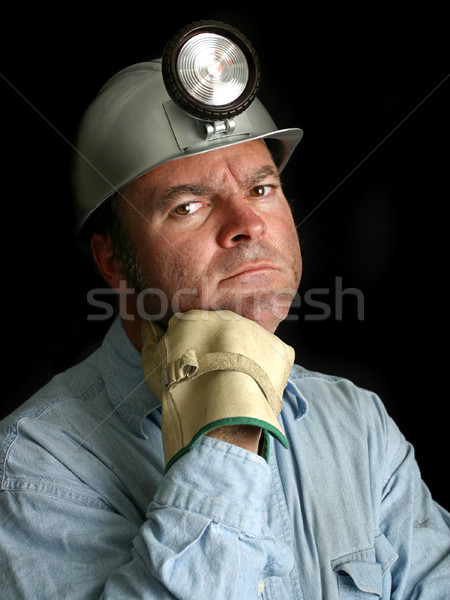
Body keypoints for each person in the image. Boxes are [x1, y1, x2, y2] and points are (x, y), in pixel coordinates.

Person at [0, 20, 448, 599]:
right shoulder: (33, 468)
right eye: (189, 205)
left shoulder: (359, 427)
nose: (249, 225)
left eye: (262, 189)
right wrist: (229, 431)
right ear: (112, 261)